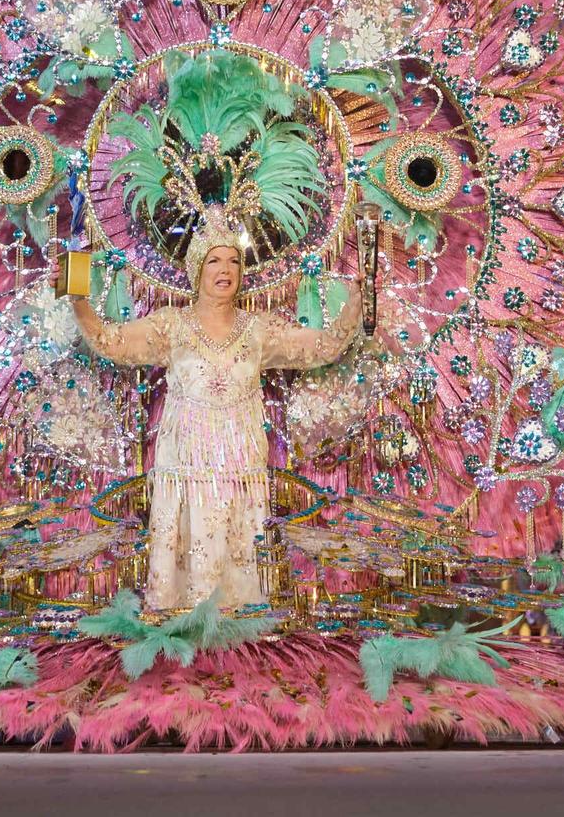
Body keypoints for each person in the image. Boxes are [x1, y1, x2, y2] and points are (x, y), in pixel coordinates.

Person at [70, 205, 361, 609]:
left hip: (241, 473)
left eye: (233, 261)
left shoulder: (260, 329)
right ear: (197, 269)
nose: (224, 270)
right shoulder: (170, 326)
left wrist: (357, 303)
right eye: (213, 260)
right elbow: (107, 340)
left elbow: (326, 346)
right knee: (183, 591)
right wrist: (75, 291)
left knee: (240, 590)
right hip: (185, 469)